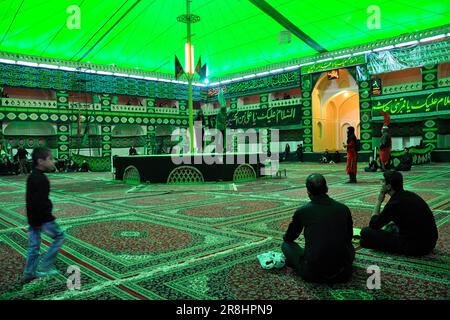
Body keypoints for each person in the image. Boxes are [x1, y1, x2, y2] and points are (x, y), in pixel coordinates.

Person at [282, 173, 355, 283]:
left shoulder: (303, 211)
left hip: (313, 273)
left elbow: (289, 238)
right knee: (349, 247)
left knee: (286, 245)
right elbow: (348, 237)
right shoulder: (343, 209)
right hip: (343, 273)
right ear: (327, 188)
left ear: (308, 191)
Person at [360, 171, 438, 256]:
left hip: (417, 247)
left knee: (365, 232)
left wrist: (379, 200)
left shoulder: (395, 203)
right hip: (430, 242)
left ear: (389, 186)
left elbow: (373, 224)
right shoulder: (409, 195)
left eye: (383, 181)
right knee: (391, 226)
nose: (381, 183)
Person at [23, 147, 64, 283]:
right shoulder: (41, 179)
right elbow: (40, 202)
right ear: (41, 161)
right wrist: (46, 219)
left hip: (33, 219)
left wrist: (33, 221)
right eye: (50, 159)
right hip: (43, 219)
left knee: (34, 247)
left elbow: (30, 201)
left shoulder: (32, 176)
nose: (53, 161)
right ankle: (46, 265)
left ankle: (29, 272)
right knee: (59, 236)